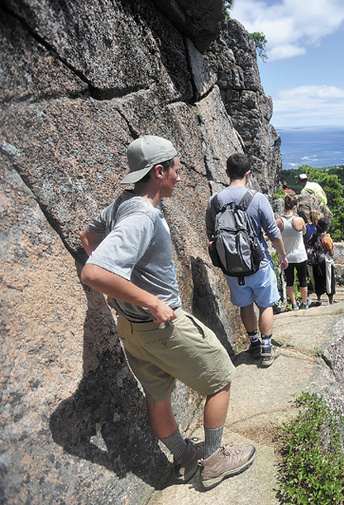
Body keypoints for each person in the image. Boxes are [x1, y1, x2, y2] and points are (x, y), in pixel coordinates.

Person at [80, 135, 255, 489]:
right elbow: (94, 271)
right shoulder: (144, 216)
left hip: (132, 330)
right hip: (162, 327)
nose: (180, 176)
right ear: (159, 172)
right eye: (177, 168)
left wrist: (119, 295)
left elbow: (88, 237)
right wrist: (151, 300)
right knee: (221, 378)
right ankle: (213, 460)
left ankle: (185, 456)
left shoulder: (123, 202)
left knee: (158, 396)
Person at [205, 153, 288, 366]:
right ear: (248, 174)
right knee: (265, 304)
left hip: (231, 267)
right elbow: (273, 232)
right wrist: (282, 255)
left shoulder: (214, 201)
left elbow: (211, 233)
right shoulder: (257, 198)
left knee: (245, 304)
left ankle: (253, 344)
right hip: (258, 263)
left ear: (226, 173)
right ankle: (267, 349)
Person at [276, 194, 310, 311]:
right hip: (300, 255)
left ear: (284, 207)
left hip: (287, 257)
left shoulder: (279, 222)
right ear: (295, 207)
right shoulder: (299, 220)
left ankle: (294, 304)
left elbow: (274, 236)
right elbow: (304, 233)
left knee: (289, 281)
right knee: (302, 280)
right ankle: (305, 303)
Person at [310, 217, 336, 305]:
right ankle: (331, 300)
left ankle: (318, 298)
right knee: (329, 280)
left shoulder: (313, 236)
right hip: (325, 261)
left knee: (318, 279)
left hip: (315, 261)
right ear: (326, 227)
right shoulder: (326, 238)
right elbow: (331, 252)